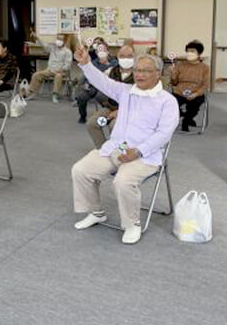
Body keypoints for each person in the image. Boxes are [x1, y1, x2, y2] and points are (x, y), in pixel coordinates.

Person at [71, 47, 179, 244]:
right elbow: (103, 82)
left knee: (123, 181)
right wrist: (86, 63)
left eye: (145, 70)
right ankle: (96, 212)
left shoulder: (167, 101)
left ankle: (132, 224)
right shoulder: (126, 91)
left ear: (158, 74)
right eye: (137, 70)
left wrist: (137, 151)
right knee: (80, 170)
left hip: (146, 155)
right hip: (118, 148)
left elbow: (164, 134)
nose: (139, 74)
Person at [86, 45, 135, 148]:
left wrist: (120, 112)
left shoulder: (140, 74)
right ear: (117, 57)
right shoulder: (111, 71)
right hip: (110, 107)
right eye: (122, 56)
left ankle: (120, 152)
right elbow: (99, 80)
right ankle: (102, 150)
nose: (126, 59)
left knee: (115, 126)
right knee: (92, 124)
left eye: (129, 56)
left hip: (131, 111)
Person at [170, 40, 210, 132]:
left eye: (192, 51)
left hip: (196, 92)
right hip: (179, 92)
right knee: (171, 103)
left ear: (199, 53)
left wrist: (196, 94)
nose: (189, 53)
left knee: (195, 105)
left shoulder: (204, 68)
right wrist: (173, 75)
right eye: (188, 51)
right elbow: (174, 83)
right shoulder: (180, 65)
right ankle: (184, 115)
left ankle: (186, 120)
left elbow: (205, 84)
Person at [25, 31, 73, 103]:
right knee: (36, 75)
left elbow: (68, 65)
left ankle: (55, 95)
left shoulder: (67, 51)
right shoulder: (52, 48)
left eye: (61, 39)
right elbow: (44, 45)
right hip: (49, 70)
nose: (58, 41)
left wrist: (61, 70)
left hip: (61, 71)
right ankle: (32, 92)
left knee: (58, 76)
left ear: (65, 41)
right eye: (58, 39)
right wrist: (37, 37)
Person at [75, 43, 117, 123]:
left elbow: (116, 76)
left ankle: (108, 115)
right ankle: (82, 116)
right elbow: (88, 74)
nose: (101, 52)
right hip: (93, 86)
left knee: (101, 97)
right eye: (99, 50)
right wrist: (87, 83)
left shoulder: (114, 63)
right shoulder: (93, 63)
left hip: (106, 87)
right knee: (81, 97)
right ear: (96, 53)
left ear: (107, 52)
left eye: (103, 50)